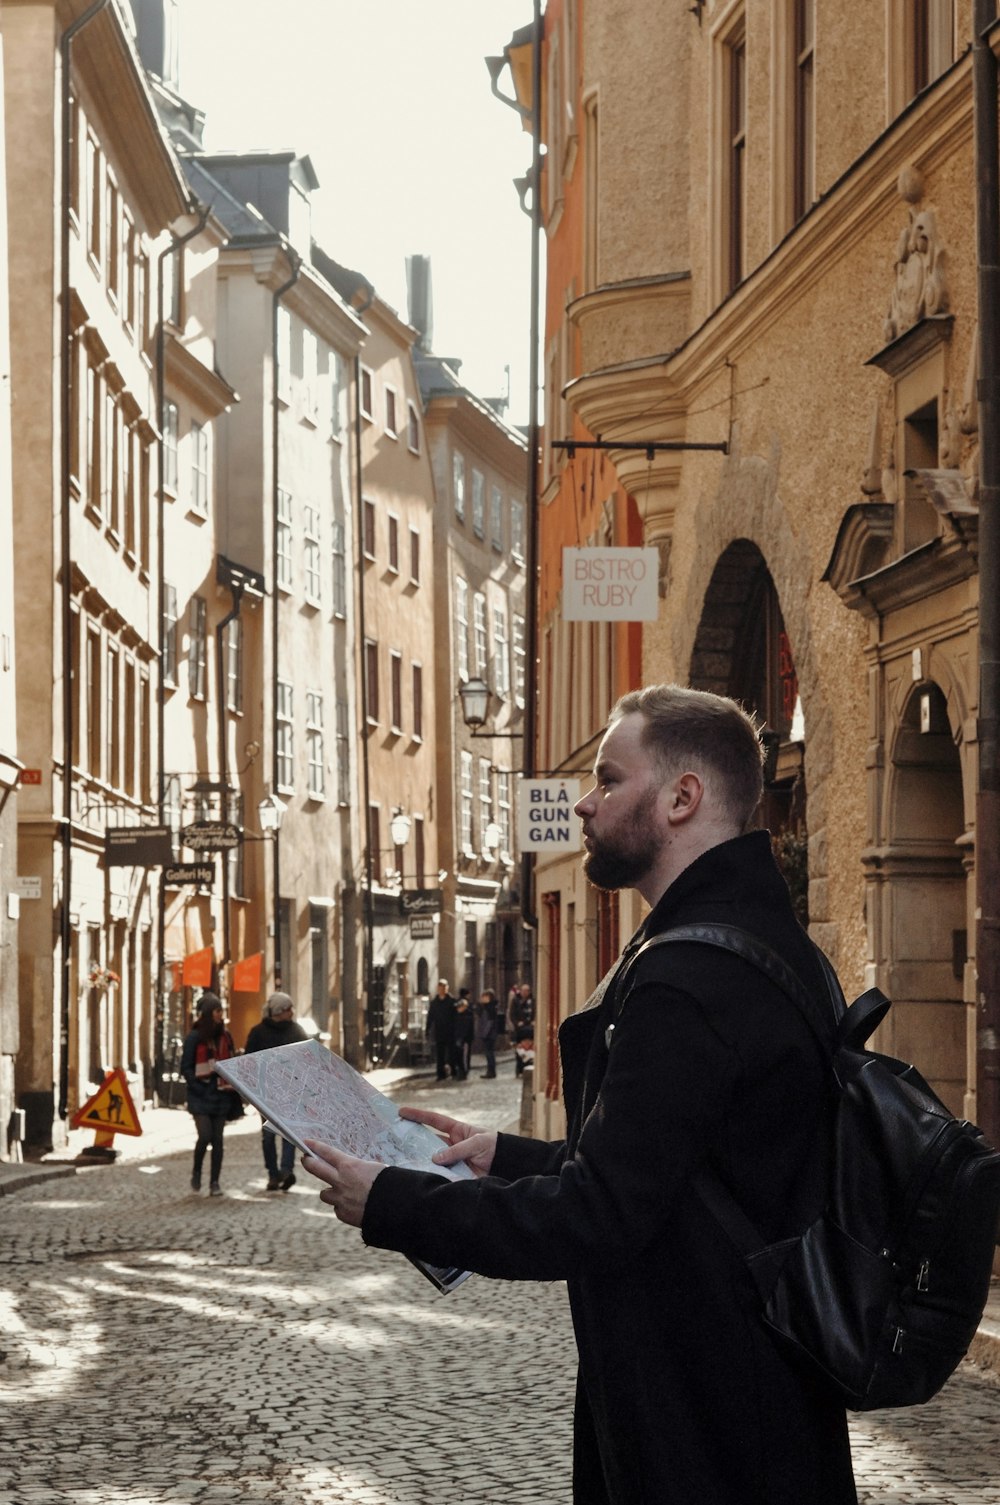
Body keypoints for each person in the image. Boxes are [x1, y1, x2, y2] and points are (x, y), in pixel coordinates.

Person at [301, 684, 858, 1504]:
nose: (586, 804)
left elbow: (601, 1217)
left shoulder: (688, 980)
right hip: (753, 1397)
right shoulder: (770, 945)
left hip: (702, 1422)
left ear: (682, 797)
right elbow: (670, 1171)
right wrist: (504, 1156)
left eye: (608, 779)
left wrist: (394, 1199)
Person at [245, 991, 307, 1190]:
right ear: (280, 1011)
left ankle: (286, 1170)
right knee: (269, 1135)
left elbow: (306, 1059)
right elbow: (248, 1061)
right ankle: (273, 1174)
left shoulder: (296, 1031)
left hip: (290, 1092)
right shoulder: (258, 1032)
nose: (292, 1012)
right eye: (289, 1009)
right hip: (265, 1093)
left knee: (288, 1133)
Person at [180, 992, 238, 1197]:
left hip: (221, 1095)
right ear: (207, 1013)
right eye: (217, 1010)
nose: (220, 1014)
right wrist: (197, 1086)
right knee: (204, 1136)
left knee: (218, 1140)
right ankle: (197, 1171)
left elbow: (231, 1061)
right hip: (200, 1095)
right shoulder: (195, 1037)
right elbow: (186, 1067)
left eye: (221, 1010)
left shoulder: (225, 1035)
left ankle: (215, 1182)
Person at [425, 979, 457, 1081]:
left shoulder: (452, 1001)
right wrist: (428, 1029)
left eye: (444, 988)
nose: (442, 990)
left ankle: (453, 1072)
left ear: (447, 988)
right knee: (440, 1054)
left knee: (451, 1053)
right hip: (439, 1031)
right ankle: (440, 1074)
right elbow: (430, 1017)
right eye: (440, 988)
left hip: (451, 1031)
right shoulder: (434, 1003)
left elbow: (456, 1017)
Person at [509, 982, 535, 1077]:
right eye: (524, 990)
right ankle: (519, 1069)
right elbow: (512, 1014)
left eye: (527, 990)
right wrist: (517, 1023)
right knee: (520, 1049)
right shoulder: (516, 1000)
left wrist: (534, 1021)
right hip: (520, 1030)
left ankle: (530, 1066)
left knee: (531, 1049)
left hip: (531, 1029)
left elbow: (535, 1011)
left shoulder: (532, 1000)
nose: (525, 992)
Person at [473, 987, 500, 1078]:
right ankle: (490, 1071)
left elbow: (490, 1022)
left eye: (484, 997)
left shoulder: (490, 1008)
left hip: (489, 1034)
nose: (482, 998)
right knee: (489, 1053)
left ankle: (491, 1071)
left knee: (489, 1053)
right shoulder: (486, 1007)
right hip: (488, 1033)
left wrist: (485, 1033)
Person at [451, 988, 474, 1080]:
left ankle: (463, 1072)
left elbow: (466, 1029)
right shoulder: (456, 1015)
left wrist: (463, 1038)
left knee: (463, 1056)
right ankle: (460, 1071)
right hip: (458, 1037)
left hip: (465, 1039)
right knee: (458, 1056)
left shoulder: (467, 1015)